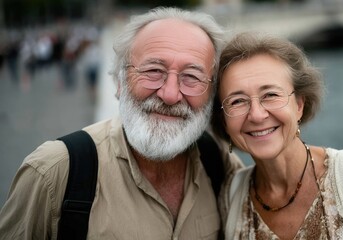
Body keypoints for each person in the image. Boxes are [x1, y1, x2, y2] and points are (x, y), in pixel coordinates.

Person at [0, 7, 243, 239]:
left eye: (191, 77)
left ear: (212, 93)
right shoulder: (53, 173)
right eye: (153, 71)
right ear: (119, 81)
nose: (170, 95)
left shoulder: (221, 165)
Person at [210, 32, 343, 239]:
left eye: (271, 95)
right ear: (223, 120)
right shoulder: (230, 196)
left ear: (299, 105)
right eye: (237, 101)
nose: (256, 115)